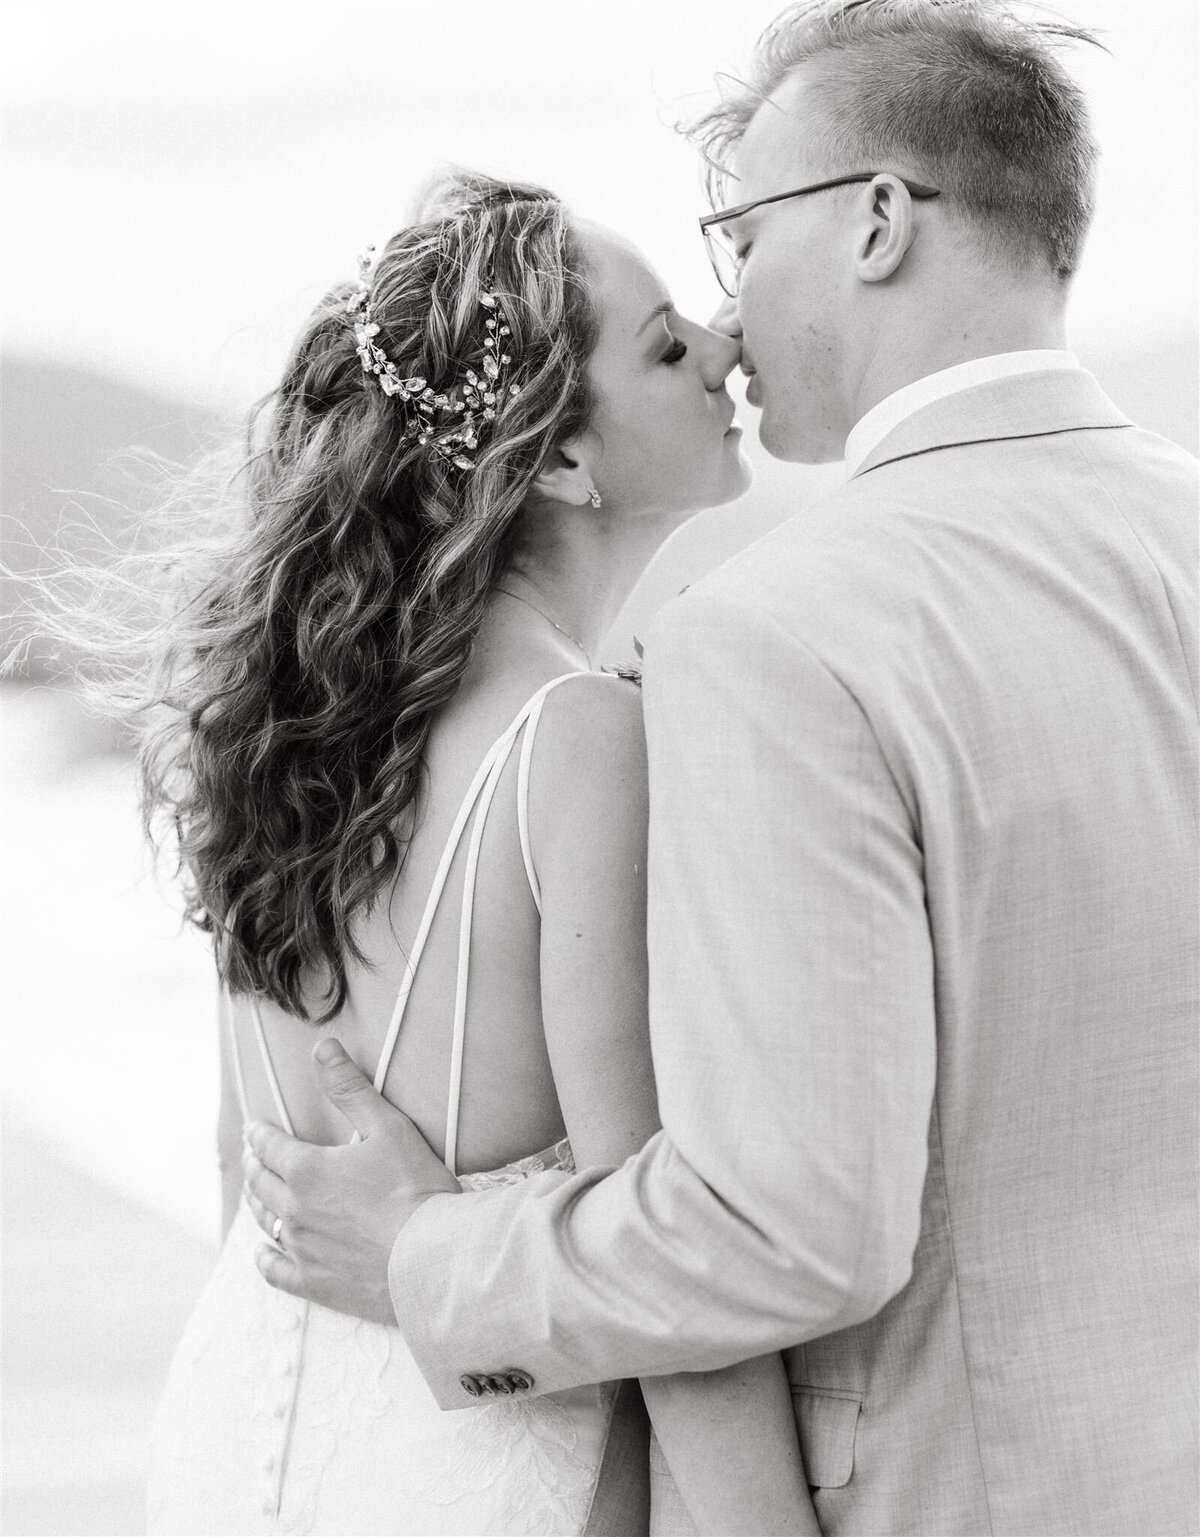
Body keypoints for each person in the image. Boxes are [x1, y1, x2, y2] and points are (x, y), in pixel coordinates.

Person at [243, 4, 1200, 1534]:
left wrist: (424, 1258)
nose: (731, 317)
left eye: (737, 238)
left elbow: (788, 1227)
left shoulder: (777, 639)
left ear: (880, 221)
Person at [144, 169, 820, 1535]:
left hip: (230, 1434)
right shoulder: (576, 743)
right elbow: (656, 1264)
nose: (725, 346)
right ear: (562, 457)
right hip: (470, 1478)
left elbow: (244, 1166)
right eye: (667, 344)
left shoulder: (283, 721)